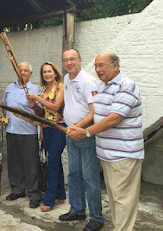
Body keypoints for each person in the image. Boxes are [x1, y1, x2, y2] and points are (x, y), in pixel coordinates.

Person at [67, 52, 144, 231]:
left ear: (115, 65)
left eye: (102, 65)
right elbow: (96, 113)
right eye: (96, 66)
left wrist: (85, 132)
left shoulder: (127, 86)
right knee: (116, 199)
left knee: (123, 200)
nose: (98, 70)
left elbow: (113, 119)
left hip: (123, 155)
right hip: (107, 154)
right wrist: (78, 125)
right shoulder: (101, 86)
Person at [59, 49, 104, 231]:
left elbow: (95, 112)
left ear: (80, 60)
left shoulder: (89, 81)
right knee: (74, 173)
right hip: (71, 135)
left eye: (72, 59)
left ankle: (96, 218)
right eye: (66, 60)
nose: (69, 63)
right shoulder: (66, 79)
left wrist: (78, 126)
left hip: (85, 135)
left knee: (90, 177)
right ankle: (77, 209)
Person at [2, 61, 44, 209]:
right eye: (21, 70)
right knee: (14, 163)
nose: (23, 72)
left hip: (28, 132)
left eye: (26, 70)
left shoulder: (35, 89)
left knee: (31, 165)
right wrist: (7, 120)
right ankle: (17, 190)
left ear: (30, 74)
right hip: (11, 131)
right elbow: (4, 106)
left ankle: (33, 194)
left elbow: (41, 113)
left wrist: (35, 105)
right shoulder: (9, 88)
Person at [27, 62, 66, 212]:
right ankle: (61, 194)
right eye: (44, 72)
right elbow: (42, 114)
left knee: (53, 161)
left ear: (55, 73)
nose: (47, 74)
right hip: (47, 128)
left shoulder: (61, 87)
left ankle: (49, 200)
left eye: (49, 71)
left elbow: (56, 107)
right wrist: (34, 106)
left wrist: (37, 99)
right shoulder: (43, 90)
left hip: (59, 128)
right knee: (55, 161)